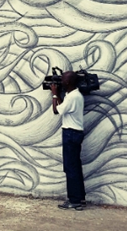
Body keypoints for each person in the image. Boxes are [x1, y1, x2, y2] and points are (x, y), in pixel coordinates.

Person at [51, 71, 86, 210]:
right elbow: (63, 108)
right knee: (75, 166)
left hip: (70, 134)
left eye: (62, 80)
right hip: (75, 133)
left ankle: (74, 200)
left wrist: (54, 94)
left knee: (70, 168)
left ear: (67, 82)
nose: (60, 82)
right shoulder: (74, 95)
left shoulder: (72, 97)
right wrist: (59, 96)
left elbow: (56, 110)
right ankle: (80, 197)